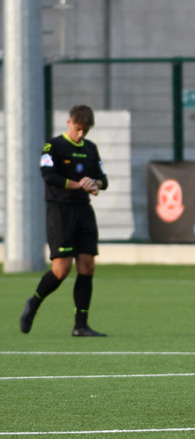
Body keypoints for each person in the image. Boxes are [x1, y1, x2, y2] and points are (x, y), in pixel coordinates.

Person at [20, 105, 109, 337]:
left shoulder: (90, 148)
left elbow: (103, 180)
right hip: (60, 211)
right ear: (69, 122)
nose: (81, 134)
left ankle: (80, 325)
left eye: (85, 131)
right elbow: (49, 176)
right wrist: (79, 184)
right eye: (78, 129)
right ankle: (34, 303)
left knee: (87, 266)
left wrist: (94, 184)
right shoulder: (53, 146)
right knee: (61, 270)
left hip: (84, 211)